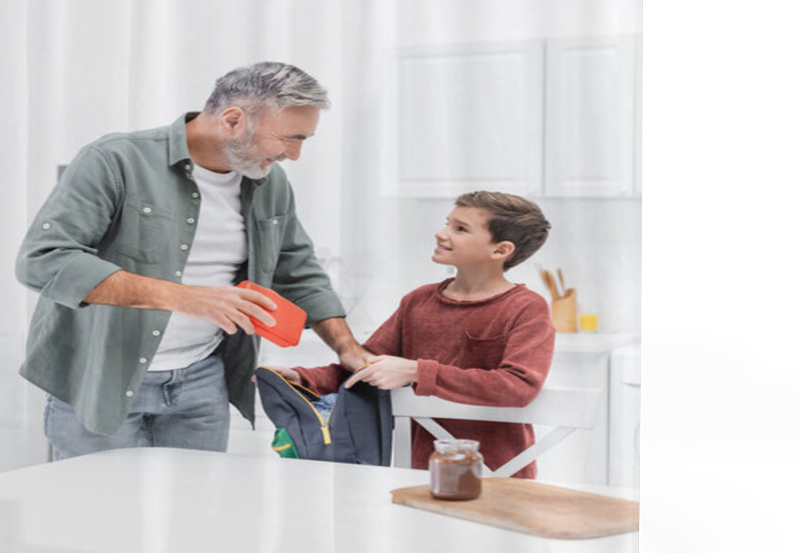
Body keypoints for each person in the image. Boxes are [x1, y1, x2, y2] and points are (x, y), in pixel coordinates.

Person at [15, 61, 370, 460]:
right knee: (98, 516)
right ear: (233, 120)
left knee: (197, 515)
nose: (295, 154)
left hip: (202, 383)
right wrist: (185, 298)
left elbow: (299, 269)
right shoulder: (114, 160)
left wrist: (347, 348)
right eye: (290, 138)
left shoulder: (269, 183)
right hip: (100, 381)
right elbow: (43, 260)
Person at [279, 191, 555, 479]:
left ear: (500, 251)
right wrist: (305, 378)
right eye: (447, 224)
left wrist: (415, 371)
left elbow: (518, 386)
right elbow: (368, 365)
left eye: (460, 229)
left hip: (500, 475)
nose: (441, 234)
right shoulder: (418, 301)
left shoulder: (526, 307)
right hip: (420, 471)